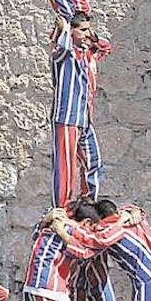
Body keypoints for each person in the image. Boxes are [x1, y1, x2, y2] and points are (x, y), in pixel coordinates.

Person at [50, 12, 110, 207]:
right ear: (72, 31)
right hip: (67, 117)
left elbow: (105, 47)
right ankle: (61, 207)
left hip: (85, 118)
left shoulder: (87, 54)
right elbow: (63, 46)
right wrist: (64, 28)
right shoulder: (62, 53)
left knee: (93, 161)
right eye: (82, 30)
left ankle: (89, 202)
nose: (86, 34)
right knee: (66, 167)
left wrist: (92, 35)